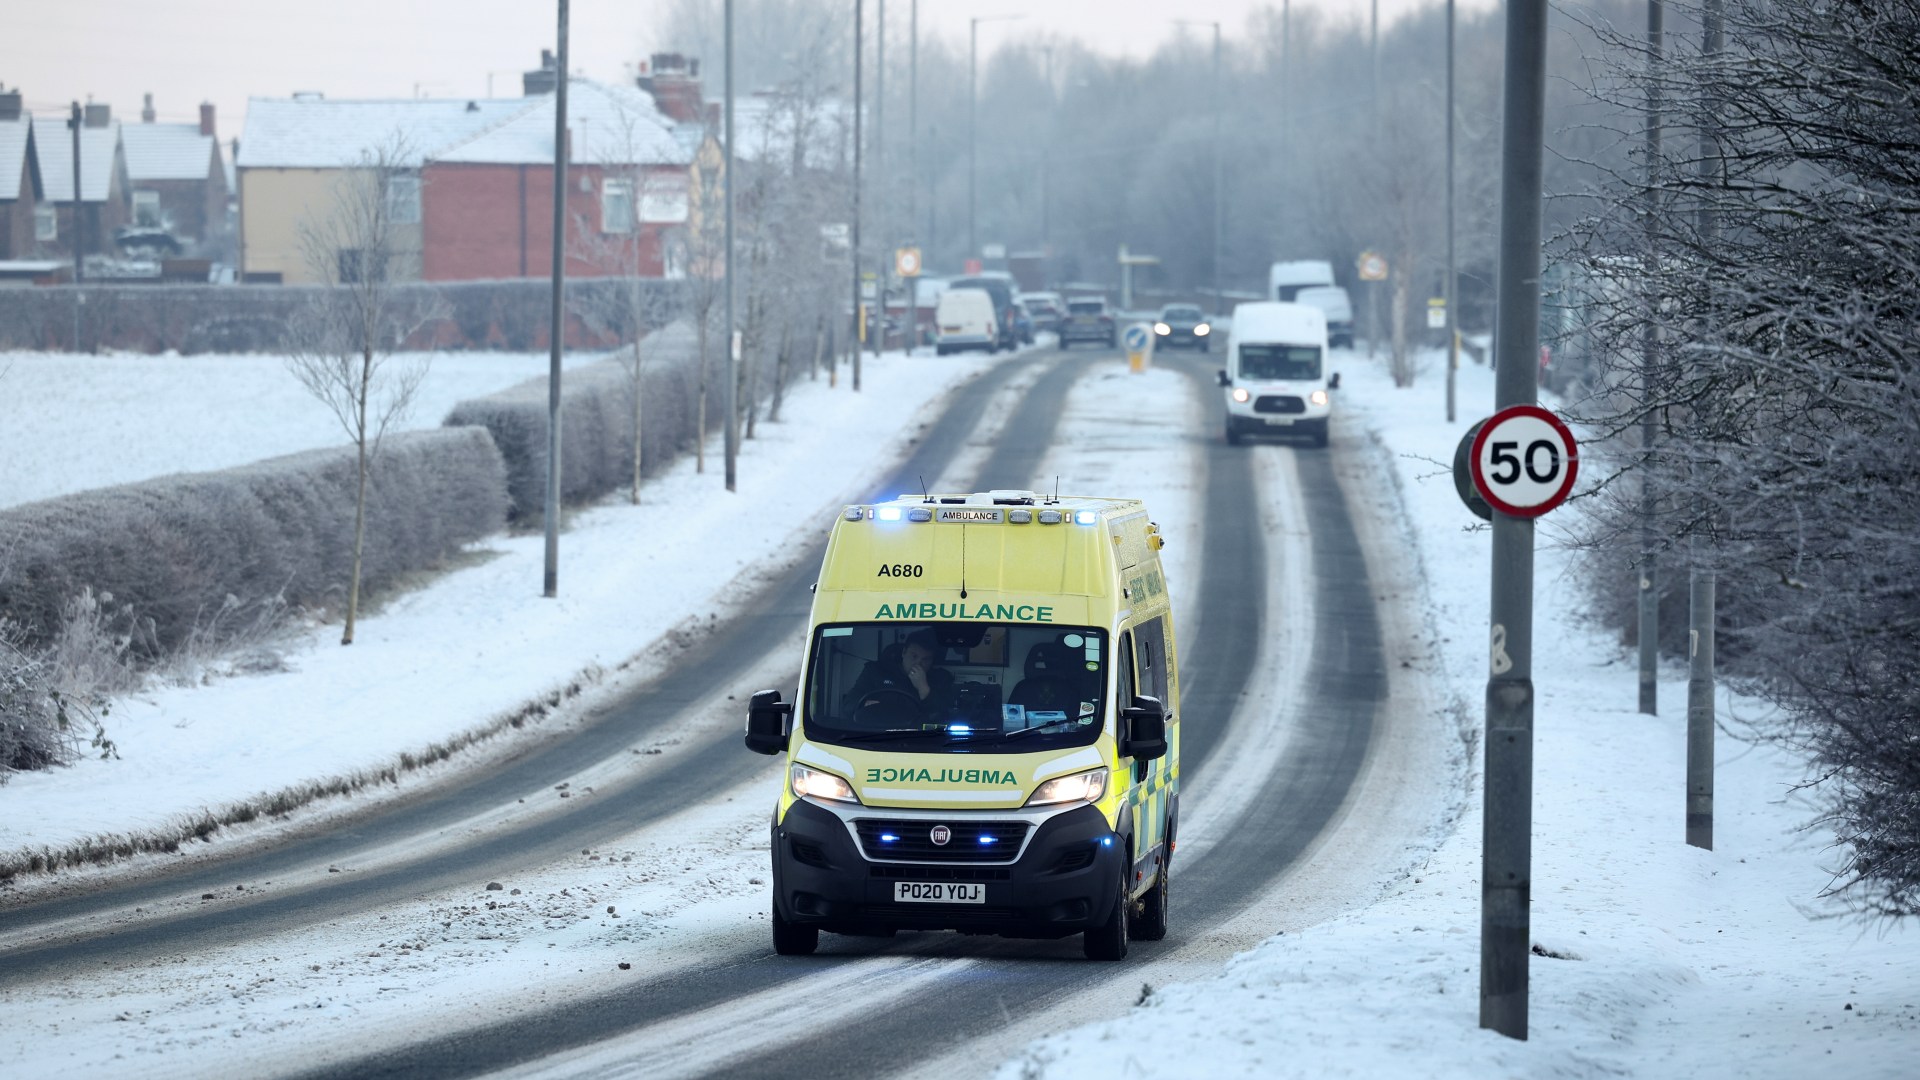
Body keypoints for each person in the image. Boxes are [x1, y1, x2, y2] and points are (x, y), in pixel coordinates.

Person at [843, 628, 955, 723]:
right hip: (877, 733)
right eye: (914, 656)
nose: (918, 663)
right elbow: (849, 703)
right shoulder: (876, 671)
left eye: (925, 659)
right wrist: (864, 703)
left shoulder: (941, 679)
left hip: (920, 738)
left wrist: (924, 689)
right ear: (904, 652)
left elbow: (945, 714)